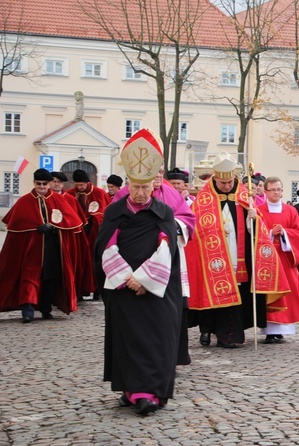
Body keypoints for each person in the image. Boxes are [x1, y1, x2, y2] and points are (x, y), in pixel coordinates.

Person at [94, 129, 183, 415]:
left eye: (146, 187)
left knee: (157, 338)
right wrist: (126, 279)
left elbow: (166, 248)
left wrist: (144, 279)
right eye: (136, 187)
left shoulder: (164, 212)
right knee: (127, 338)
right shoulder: (114, 211)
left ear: (152, 186)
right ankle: (130, 389)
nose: (141, 193)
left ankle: (150, 394)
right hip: (123, 288)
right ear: (128, 184)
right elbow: (105, 247)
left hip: (156, 290)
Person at [186, 152, 289, 348]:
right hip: (212, 258)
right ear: (215, 178)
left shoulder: (244, 196)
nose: (226, 186)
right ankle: (207, 330)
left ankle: (231, 336)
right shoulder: (204, 199)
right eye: (222, 183)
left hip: (238, 256)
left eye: (229, 182)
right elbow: (196, 229)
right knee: (211, 294)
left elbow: (257, 232)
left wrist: (253, 218)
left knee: (236, 297)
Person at [113, 162, 196, 365]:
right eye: (154, 171)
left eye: (160, 171)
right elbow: (110, 234)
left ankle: (171, 357)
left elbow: (187, 218)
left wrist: (169, 227)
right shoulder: (123, 195)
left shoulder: (171, 194)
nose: (158, 176)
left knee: (166, 314)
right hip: (130, 267)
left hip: (166, 260)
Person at [0, 169, 82, 322]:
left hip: (52, 248)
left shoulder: (59, 200)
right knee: (29, 278)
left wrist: (53, 227)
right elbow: (15, 229)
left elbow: (71, 223)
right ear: (34, 183)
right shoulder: (24, 201)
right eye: (39, 184)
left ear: (49, 183)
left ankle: (46, 308)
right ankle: (28, 310)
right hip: (31, 249)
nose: (42, 187)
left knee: (50, 279)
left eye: (45, 184)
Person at [257, 177, 299, 344]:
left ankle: (283, 328)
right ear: (266, 192)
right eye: (273, 190)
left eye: (279, 189)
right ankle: (268, 330)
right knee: (269, 292)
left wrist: (285, 234)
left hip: (284, 256)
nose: (277, 193)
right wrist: (269, 232)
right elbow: (253, 233)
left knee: (288, 292)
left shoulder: (290, 210)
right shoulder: (259, 210)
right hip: (266, 258)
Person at [66, 169, 111, 300]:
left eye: (82, 185)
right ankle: (79, 290)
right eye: (77, 185)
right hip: (78, 234)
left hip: (94, 233)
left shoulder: (99, 193)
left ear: (88, 182)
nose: (80, 188)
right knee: (79, 261)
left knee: (95, 261)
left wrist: (93, 219)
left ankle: (97, 289)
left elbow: (105, 212)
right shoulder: (70, 194)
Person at [51, 171, 95, 300]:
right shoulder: (68, 195)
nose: (57, 184)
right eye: (54, 181)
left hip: (67, 239)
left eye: (59, 182)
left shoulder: (69, 199)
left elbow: (77, 220)